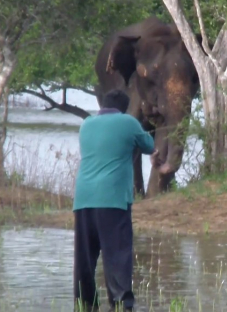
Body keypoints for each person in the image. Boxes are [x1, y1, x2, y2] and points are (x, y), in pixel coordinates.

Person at [72, 89, 156, 312]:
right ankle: (120, 304)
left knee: (85, 257)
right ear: (124, 108)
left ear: (102, 106)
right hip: (112, 200)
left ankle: (85, 303)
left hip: (83, 199)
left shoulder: (87, 124)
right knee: (117, 254)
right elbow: (149, 146)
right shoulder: (128, 122)